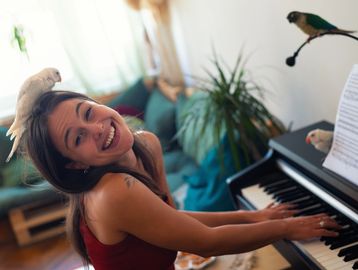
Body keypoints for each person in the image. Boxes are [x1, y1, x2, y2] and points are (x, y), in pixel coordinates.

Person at [21, 90, 340, 270]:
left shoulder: (146, 144)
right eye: (78, 138)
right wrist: (286, 228)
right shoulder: (113, 192)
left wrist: (253, 215)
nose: (97, 128)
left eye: (88, 112)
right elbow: (203, 242)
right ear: (75, 165)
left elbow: (171, 220)